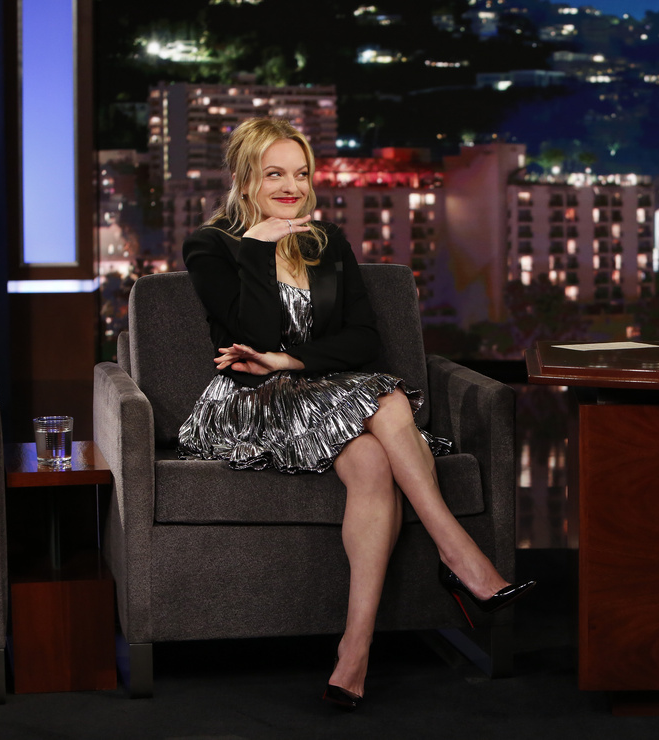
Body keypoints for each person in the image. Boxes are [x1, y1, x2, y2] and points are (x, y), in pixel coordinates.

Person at [176, 117, 534, 711]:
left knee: (371, 461)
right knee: (388, 399)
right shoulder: (211, 245)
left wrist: (288, 360)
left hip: (320, 389)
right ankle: (459, 554)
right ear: (243, 179)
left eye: (301, 174)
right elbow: (250, 334)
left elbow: (363, 341)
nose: (292, 187)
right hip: (249, 403)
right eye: (274, 174)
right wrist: (260, 248)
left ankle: (355, 650)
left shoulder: (326, 241)